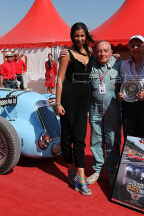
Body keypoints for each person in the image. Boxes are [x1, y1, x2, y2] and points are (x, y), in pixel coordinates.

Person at [55, 22, 94, 196]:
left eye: (82, 35)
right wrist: (58, 102)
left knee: (80, 137)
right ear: (72, 36)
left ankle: (79, 176)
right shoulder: (67, 54)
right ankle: (73, 169)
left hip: (83, 100)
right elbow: (60, 79)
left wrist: (114, 55)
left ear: (86, 36)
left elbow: (105, 56)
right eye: (77, 36)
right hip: (68, 99)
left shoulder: (91, 52)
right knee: (67, 137)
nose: (79, 39)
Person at [86, 41, 122, 187]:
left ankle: (112, 171)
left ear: (111, 51)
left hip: (112, 110)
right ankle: (97, 170)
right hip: (95, 110)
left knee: (112, 141)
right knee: (95, 141)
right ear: (95, 52)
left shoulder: (119, 65)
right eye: (99, 51)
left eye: (106, 51)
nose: (103, 54)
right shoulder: (90, 65)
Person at [117, 35, 144, 139]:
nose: (135, 48)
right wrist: (120, 94)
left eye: (138, 45)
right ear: (129, 48)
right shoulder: (123, 65)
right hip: (128, 106)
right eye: (132, 46)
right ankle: (129, 156)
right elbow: (121, 84)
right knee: (129, 137)